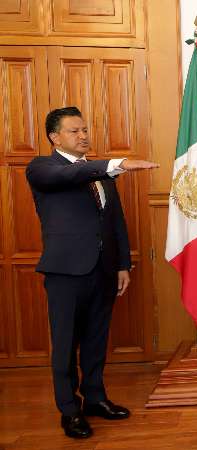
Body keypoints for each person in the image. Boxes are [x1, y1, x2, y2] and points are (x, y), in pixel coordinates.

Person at [25, 106, 159, 439]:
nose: (83, 136)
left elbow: (116, 221)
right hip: (66, 272)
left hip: (102, 269)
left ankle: (95, 399)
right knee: (66, 343)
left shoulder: (99, 172)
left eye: (85, 130)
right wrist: (118, 164)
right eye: (75, 131)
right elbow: (67, 177)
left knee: (97, 340)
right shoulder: (43, 168)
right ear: (55, 137)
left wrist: (122, 264)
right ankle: (69, 410)